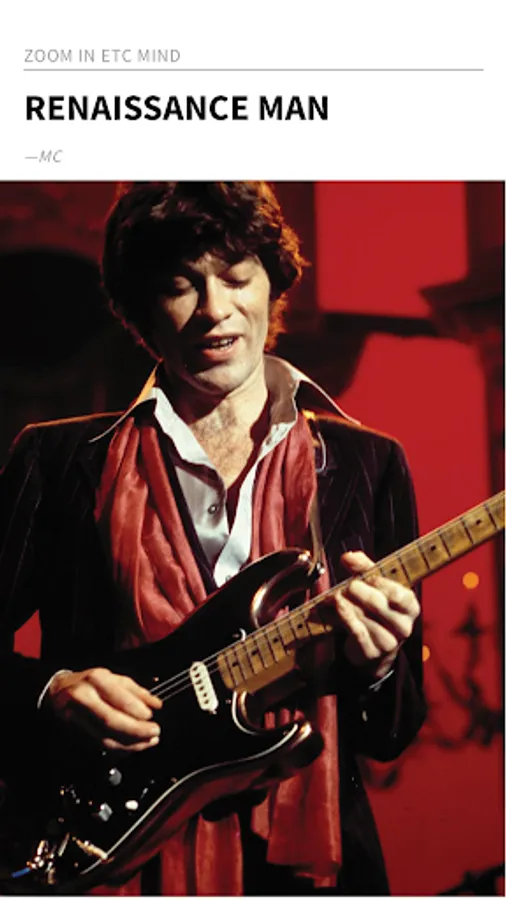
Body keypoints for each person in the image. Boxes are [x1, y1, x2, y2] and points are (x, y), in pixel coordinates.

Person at [0, 182, 425, 896]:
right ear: (141, 311)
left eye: (235, 277)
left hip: (308, 874)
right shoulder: (58, 460)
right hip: (108, 857)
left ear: (272, 286)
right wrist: (51, 691)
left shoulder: (368, 463)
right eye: (180, 286)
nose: (214, 309)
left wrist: (380, 664)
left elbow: (392, 731)